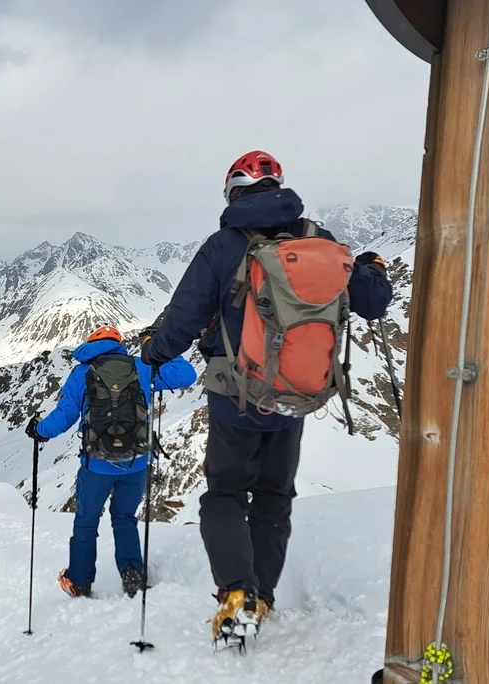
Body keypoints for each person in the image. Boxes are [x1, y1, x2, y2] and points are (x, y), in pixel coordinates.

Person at [140, 150, 393, 644]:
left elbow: (184, 318)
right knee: (275, 497)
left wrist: (154, 351)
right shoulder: (319, 241)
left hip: (236, 399)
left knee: (226, 495)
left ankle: (237, 595)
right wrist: (372, 267)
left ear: (233, 192)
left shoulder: (223, 246)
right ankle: (265, 597)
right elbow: (374, 303)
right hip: (296, 397)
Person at [27, 325, 197, 599]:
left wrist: (38, 430)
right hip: (136, 462)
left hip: (96, 465)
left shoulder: (82, 373)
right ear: (118, 344)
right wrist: (156, 344)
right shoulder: (141, 367)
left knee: (86, 522)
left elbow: (65, 416)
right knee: (125, 518)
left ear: (91, 344)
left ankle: (80, 582)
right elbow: (187, 375)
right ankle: (132, 574)